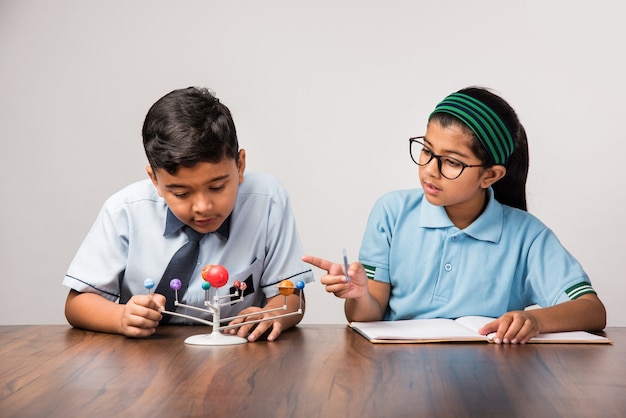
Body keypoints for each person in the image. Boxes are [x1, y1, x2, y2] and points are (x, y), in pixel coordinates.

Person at [303, 86, 606, 344]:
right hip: (396, 372)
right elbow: (367, 316)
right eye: (426, 151)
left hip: (491, 378)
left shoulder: (527, 236)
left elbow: (593, 311)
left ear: (490, 175)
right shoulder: (392, 213)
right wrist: (358, 294)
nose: (430, 170)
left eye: (451, 162)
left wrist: (534, 320)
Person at [64, 86, 313, 342]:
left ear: (240, 165)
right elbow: (77, 304)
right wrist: (120, 317)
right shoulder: (124, 210)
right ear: (155, 180)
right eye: (181, 193)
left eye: (217, 187)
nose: (203, 206)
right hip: (145, 360)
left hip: (237, 352)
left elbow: (292, 296)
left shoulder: (267, 200)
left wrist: (273, 313)